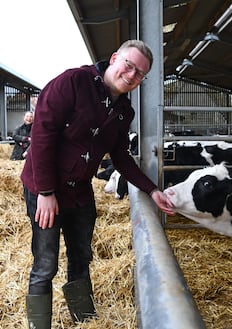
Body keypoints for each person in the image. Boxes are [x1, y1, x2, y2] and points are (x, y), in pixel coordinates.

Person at [21, 39, 175, 328]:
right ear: (115, 58)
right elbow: (42, 135)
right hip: (45, 189)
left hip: (79, 193)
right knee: (45, 264)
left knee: (82, 257)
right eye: (129, 66)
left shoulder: (123, 112)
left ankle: (84, 321)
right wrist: (45, 192)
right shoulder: (73, 82)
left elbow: (121, 157)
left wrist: (152, 190)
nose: (131, 75)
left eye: (140, 74)